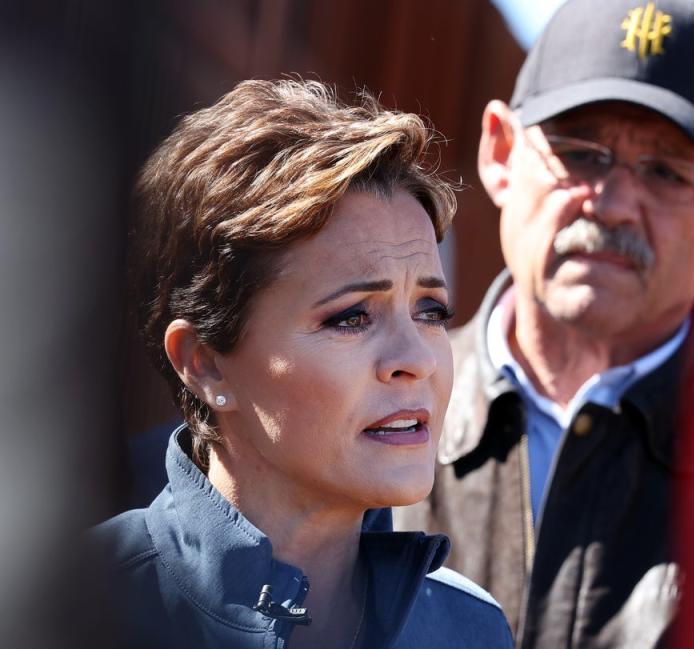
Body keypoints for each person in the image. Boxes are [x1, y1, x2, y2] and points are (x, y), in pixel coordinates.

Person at [393, 1, 694, 647]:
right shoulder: (366, 411)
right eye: (579, 153)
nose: (614, 204)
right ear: (501, 152)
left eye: (666, 171)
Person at [89, 79, 513, 649]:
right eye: (352, 317)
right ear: (205, 362)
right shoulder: (76, 607)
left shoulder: (470, 631)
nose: (416, 359)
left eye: (431, 311)